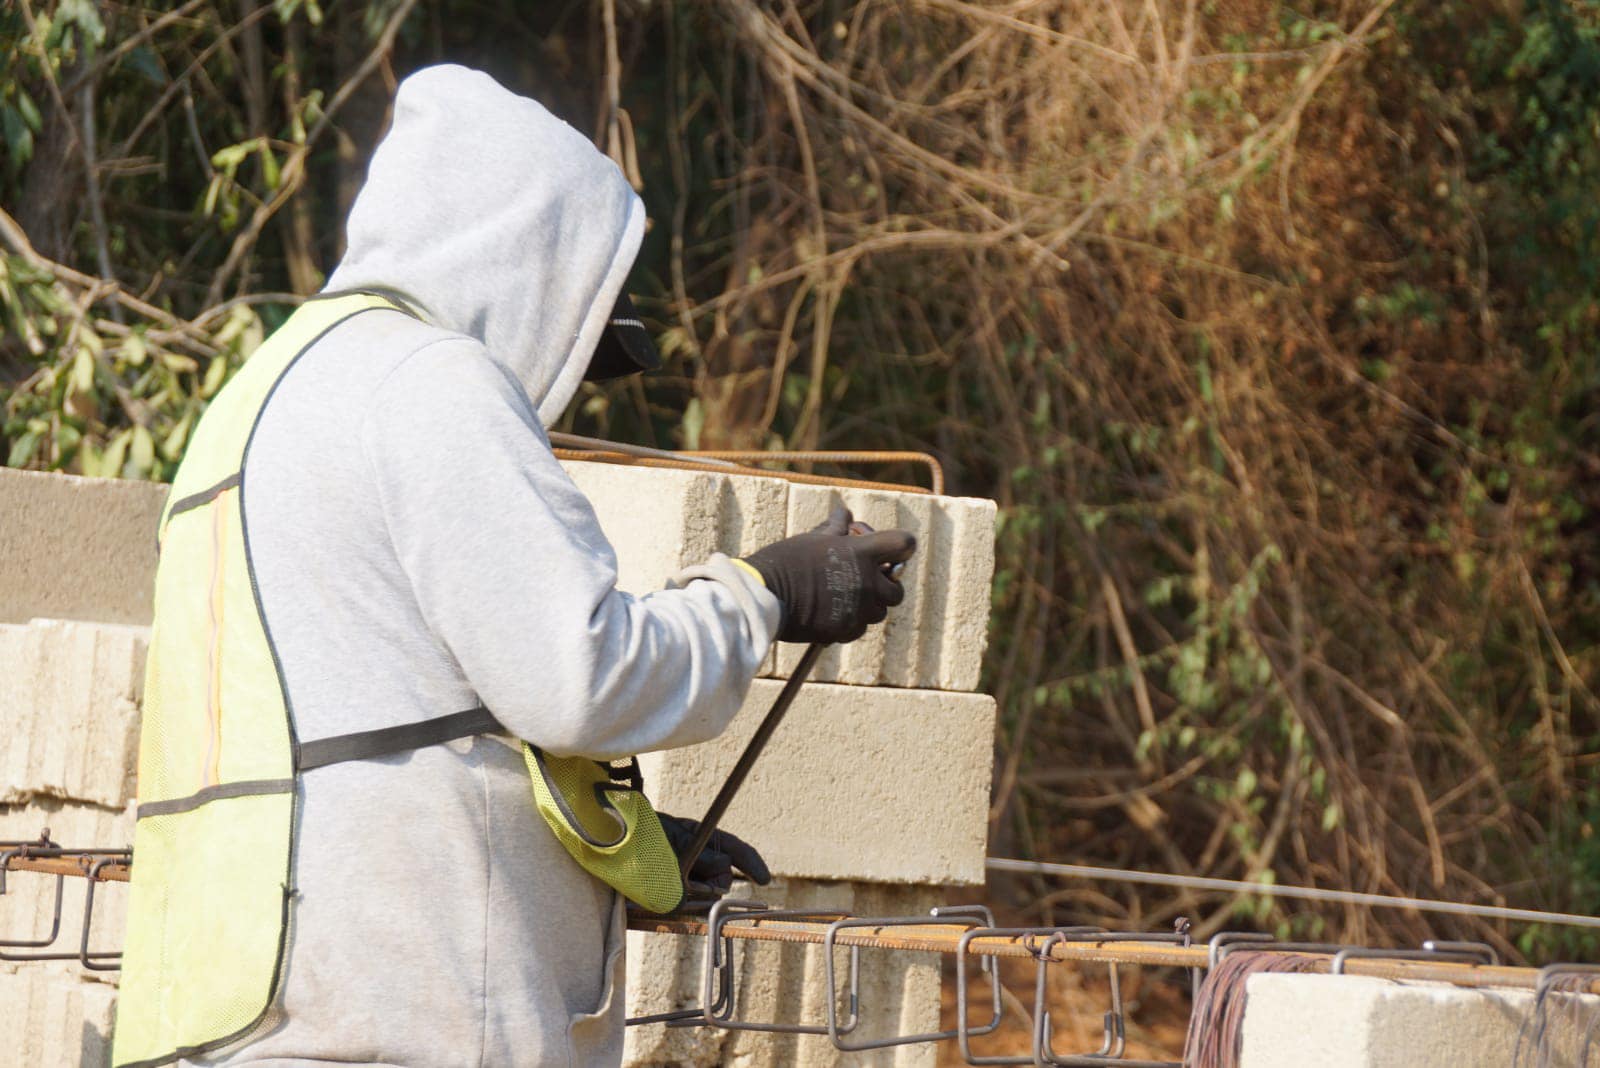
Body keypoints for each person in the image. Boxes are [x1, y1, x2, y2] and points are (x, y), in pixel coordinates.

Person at [112, 64, 915, 1067]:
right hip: (410, 1009)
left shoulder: (262, 401)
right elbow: (581, 679)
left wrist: (599, 841)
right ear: (529, 265)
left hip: (253, 1004)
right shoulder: (431, 385)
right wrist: (763, 595)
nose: (571, 387)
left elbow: (381, 711)